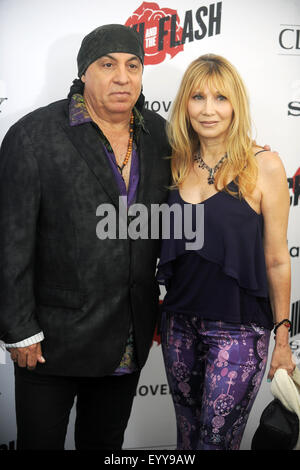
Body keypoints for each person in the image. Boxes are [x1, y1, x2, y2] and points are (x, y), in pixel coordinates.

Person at [0, 24, 171, 450]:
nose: (122, 77)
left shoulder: (160, 133)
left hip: (127, 334)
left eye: (134, 65)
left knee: (106, 444)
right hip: (51, 340)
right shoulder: (34, 135)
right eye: (107, 64)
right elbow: (10, 239)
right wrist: (19, 328)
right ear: (83, 73)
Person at [156, 54, 295, 450]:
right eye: (198, 97)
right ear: (185, 104)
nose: (208, 109)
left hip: (238, 329)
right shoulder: (175, 162)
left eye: (221, 98)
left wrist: (282, 339)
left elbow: (277, 259)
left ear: (236, 105)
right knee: (187, 438)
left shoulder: (263, 164)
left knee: (216, 443)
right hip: (179, 324)